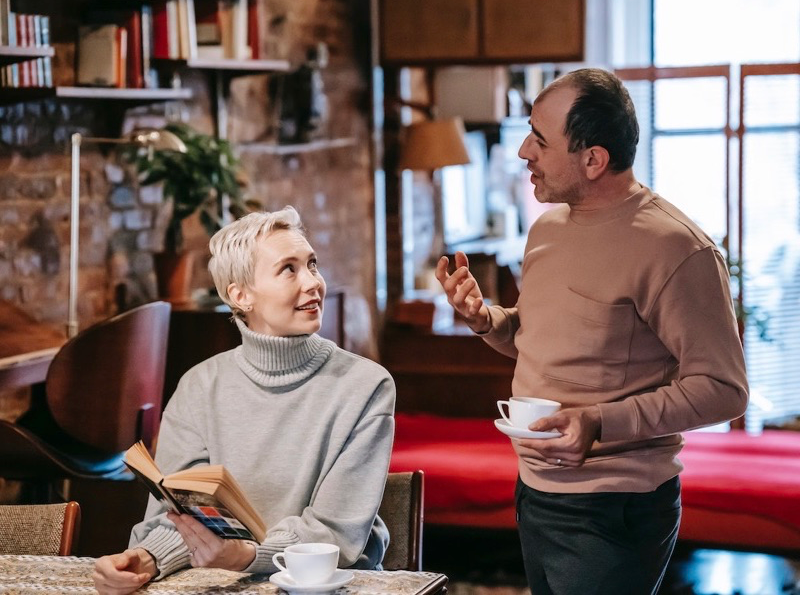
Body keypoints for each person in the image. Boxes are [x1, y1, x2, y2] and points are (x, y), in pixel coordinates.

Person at [435, 68, 748, 595]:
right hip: (534, 491)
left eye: (539, 140)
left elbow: (724, 389)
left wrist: (599, 421)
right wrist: (486, 319)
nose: (523, 152)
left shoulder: (677, 248)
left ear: (594, 160)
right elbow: (542, 337)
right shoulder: (547, 229)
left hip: (614, 507)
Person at [93, 206, 395, 594]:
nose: (313, 283)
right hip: (227, 584)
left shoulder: (366, 386)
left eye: (312, 265)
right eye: (289, 269)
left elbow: (334, 532)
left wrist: (249, 556)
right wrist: (148, 558)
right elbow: (181, 514)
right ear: (241, 295)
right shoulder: (199, 386)